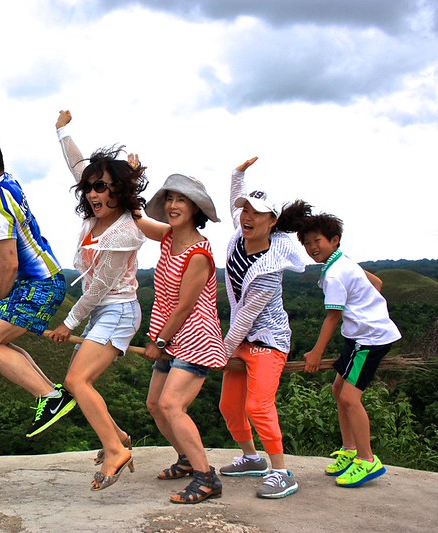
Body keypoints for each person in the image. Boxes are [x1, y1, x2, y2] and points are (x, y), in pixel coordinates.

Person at [0, 131, 76, 437]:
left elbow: (9, 264)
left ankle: (50, 397)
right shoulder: (7, 183)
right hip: (42, 279)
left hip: (38, 285)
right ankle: (51, 392)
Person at [50, 110, 145, 490]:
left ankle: (115, 451)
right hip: (103, 312)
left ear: (119, 190)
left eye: (102, 187)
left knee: (77, 380)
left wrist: (68, 323)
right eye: (90, 188)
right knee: (78, 382)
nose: (93, 193)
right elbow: (79, 167)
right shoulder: (95, 217)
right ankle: (117, 436)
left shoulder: (123, 232)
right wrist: (62, 131)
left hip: (118, 311)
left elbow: (99, 288)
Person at [218, 156, 310, 499]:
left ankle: (282, 471)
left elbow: (245, 317)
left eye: (256, 213)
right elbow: (235, 202)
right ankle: (251, 458)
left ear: (272, 221)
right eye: (246, 210)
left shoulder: (271, 266)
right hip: (241, 340)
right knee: (229, 406)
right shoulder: (241, 234)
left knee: (258, 406)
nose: (247, 216)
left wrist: (221, 352)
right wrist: (237, 173)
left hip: (268, 340)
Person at [135, 172, 227, 504]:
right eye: (170, 199)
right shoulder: (169, 237)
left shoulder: (198, 254)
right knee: (155, 405)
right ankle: (187, 459)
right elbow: (138, 219)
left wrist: (158, 342)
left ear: (195, 207)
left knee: (171, 405)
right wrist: (131, 181)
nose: (173, 205)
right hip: (171, 336)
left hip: (196, 338)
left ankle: (206, 478)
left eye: (181, 200)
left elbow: (185, 307)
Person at [299, 213, 401, 487]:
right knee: (338, 390)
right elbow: (377, 284)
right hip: (358, 337)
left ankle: (367, 460)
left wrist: (316, 353)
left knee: (349, 398)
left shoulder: (335, 274)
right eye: (307, 243)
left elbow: (333, 316)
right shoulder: (343, 262)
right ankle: (350, 450)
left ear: (335, 240)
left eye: (317, 241)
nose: (312, 247)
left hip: (369, 340)